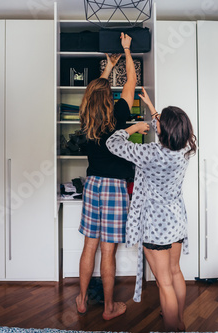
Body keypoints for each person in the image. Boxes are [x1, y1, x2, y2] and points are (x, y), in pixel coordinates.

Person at [106, 88, 197, 331]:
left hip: (156, 226)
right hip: (176, 220)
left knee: (163, 282)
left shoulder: (149, 153)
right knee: (176, 273)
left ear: (162, 130)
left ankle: (171, 327)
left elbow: (112, 143)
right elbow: (169, 130)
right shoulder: (184, 150)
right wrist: (153, 110)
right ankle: (178, 321)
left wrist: (133, 128)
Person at [75, 33, 150, 321]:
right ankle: (108, 307)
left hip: (93, 185)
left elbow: (93, 93)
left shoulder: (86, 116)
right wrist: (127, 52)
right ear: (109, 95)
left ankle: (82, 300)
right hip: (116, 187)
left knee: (89, 247)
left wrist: (107, 67)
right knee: (108, 252)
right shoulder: (118, 113)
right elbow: (130, 82)